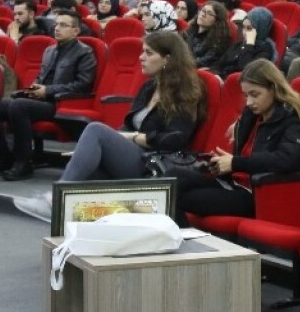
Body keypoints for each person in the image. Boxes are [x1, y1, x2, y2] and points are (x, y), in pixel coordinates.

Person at [15, 33, 206, 221]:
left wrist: (133, 137)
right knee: (89, 163)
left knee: (96, 129)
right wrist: (89, 150)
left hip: (155, 164)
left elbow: (176, 139)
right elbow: (128, 125)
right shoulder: (149, 87)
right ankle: (67, 211)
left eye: (148, 53)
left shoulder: (185, 92)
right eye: (142, 52)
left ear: (168, 59)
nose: (141, 57)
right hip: (137, 156)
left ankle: (57, 202)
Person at [170, 59, 300, 227]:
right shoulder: (251, 116)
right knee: (172, 176)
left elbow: (288, 160)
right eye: (246, 95)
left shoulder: (293, 121)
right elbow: (242, 160)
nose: (248, 102)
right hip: (233, 183)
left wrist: (235, 162)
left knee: (177, 196)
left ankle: (181, 245)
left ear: (274, 89)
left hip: (255, 194)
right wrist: (221, 164)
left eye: (255, 95)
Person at [0, 10, 96, 180]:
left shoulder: (84, 52)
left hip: (60, 103)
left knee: (19, 106)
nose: (57, 28)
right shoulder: (50, 50)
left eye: (63, 25)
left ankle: (23, 163)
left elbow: (82, 85)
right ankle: (5, 156)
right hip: (40, 98)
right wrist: (32, 90)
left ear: (76, 31)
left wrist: (47, 91)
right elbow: (41, 77)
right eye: (56, 24)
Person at [209, 7, 277, 77]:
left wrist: (249, 44)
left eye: (249, 28)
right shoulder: (239, 44)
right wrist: (216, 75)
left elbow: (246, 70)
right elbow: (217, 64)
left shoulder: (265, 48)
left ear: (260, 28)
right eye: (244, 27)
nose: (244, 32)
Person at [184, 0, 232, 69]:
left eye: (209, 13)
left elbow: (204, 61)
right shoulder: (188, 32)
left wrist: (182, 63)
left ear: (217, 20)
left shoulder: (219, 40)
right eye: (203, 11)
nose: (203, 14)